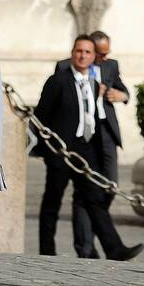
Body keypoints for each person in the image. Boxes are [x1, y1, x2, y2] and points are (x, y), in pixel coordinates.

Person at [35, 35, 144, 261]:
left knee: (95, 199)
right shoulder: (58, 81)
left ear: (94, 58)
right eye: (78, 51)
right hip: (61, 151)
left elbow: (91, 117)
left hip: (86, 150)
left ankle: (114, 248)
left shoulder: (94, 85)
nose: (82, 56)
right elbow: (40, 117)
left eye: (87, 52)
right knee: (52, 201)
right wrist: (47, 152)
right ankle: (46, 252)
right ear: (72, 53)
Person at [55, 30, 131, 253]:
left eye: (107, 53)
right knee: (84, 193)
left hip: (105, 134)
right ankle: (85, 246)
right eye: (102, 53)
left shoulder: (110, 66)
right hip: (81, 138)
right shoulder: (64, 68)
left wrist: (119, 95)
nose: (105, 58)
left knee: (108, 188)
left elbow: (125, 92)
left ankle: (98, 232)